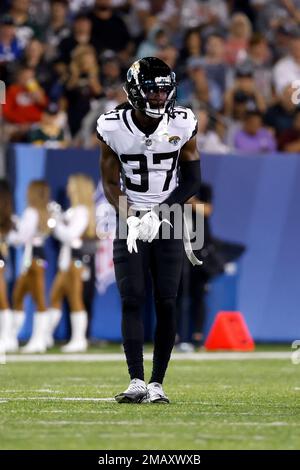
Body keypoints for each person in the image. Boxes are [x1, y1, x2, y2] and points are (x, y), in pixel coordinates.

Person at [98, 57, 201, 404]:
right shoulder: (113, 126)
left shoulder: (183, 122)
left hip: (168, 218)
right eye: (152, 91)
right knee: (132, 297)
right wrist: (129, 216)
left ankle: (157, 382)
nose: (159, 98)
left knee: (167, 301)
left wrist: (160, 211)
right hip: (130, 218)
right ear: (134, 92)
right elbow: (110, 182)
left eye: (164, 92)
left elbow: (193, 179)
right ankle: (136, 381)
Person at [47, 174, 96, 353]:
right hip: (66, 261)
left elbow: (70, 235)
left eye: (71, 185)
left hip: (76, 262)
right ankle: (44, 336)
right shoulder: (74, 210)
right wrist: (58, 217)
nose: (68, 188)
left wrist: (56, 223)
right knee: (55, 297)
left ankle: (79, 339)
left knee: (75, 299)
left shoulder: (82, 210)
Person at [7, 180, 51, 353]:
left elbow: (21, 238)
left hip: (32, 259)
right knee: (19, 296)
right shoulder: (44, 211)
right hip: (37, 258)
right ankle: (12, 337)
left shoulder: (32, 212)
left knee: (37, 299)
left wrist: (8, 232)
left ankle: (39, 340)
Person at [0, 180, 15, 353]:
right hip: (3, 257)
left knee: (3, 299)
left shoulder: (122, 199)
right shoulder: (8, 217)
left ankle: (7, 337)